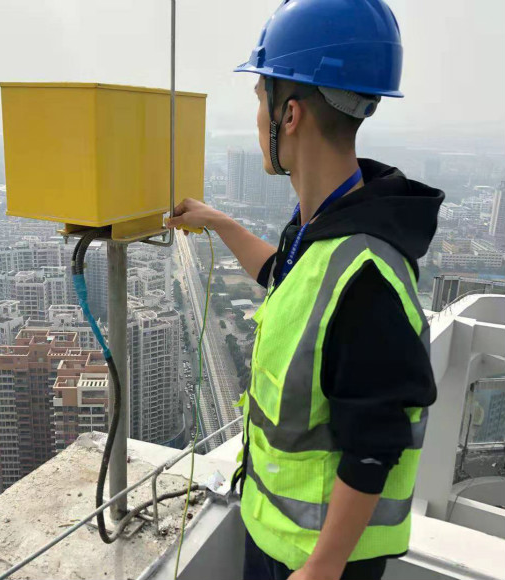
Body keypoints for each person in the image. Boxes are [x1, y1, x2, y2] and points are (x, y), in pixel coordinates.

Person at [166, 1, 443, 578]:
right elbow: (287, 279)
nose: (257, 119)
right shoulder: (327, 224)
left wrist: (323, 565)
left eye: (259, 100)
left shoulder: (365, 275)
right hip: (280, 537)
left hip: (315, 559)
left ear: (288, 115)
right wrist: (221, 223)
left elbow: (376, 441)